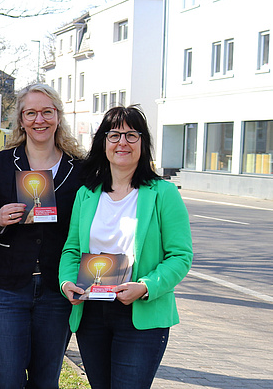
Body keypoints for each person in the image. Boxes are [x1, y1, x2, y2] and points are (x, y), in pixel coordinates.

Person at [59, 105, 192, 389]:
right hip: (92, 312)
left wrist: (144, 287)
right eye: (114, 135)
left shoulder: (163, 193)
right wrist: (67, 281)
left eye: (132, 135)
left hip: (140, 314)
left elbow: (180, 256)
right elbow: (72, 249)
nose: (122, 142)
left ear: (143, 143)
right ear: (102, 143)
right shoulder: (87, 194)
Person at [0, 83, 85, 388]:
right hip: (5, 287)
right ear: (20, 120)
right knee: (5, 378)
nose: (39, 120)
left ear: (58, 116)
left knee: (46, 381)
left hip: (56, 287)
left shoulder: (81, 170)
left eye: (47, 112)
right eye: (30, 113)